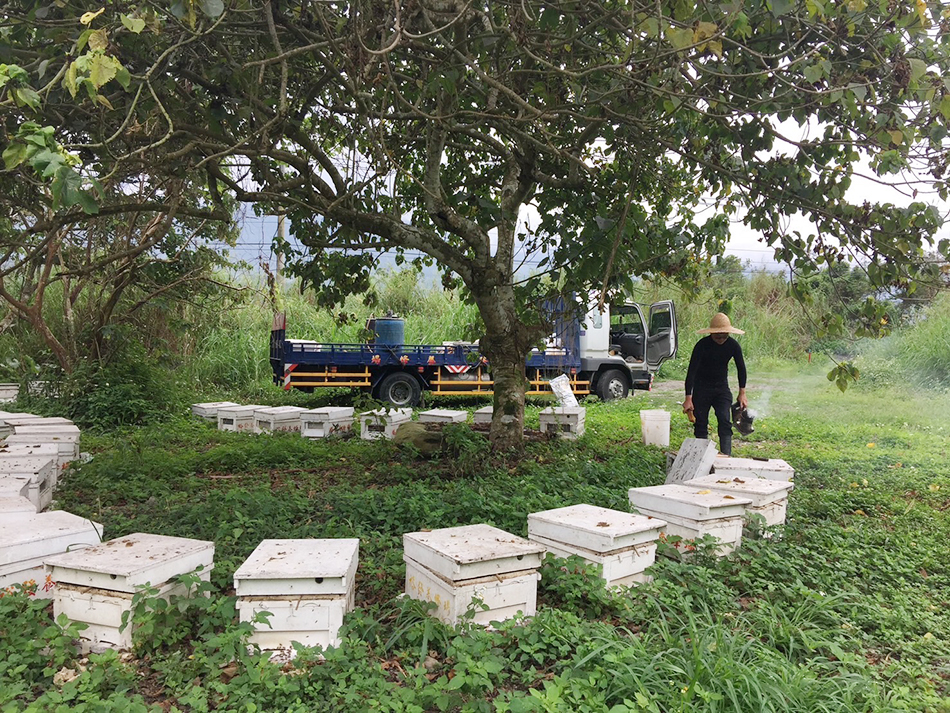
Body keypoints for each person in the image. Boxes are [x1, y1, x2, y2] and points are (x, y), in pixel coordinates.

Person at [682, 312, 748, 456]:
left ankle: (726, 456)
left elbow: (741, 369)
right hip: (702, 388)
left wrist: (742, 393)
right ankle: (700, 455)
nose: (721, 339)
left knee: (724, 419)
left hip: (721, 388)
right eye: (718, 336)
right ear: (711, 333)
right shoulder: (701, 346)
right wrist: (688, 398)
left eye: (724, 336)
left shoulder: (733, 345)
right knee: (700, 423)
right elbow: (691, 372)